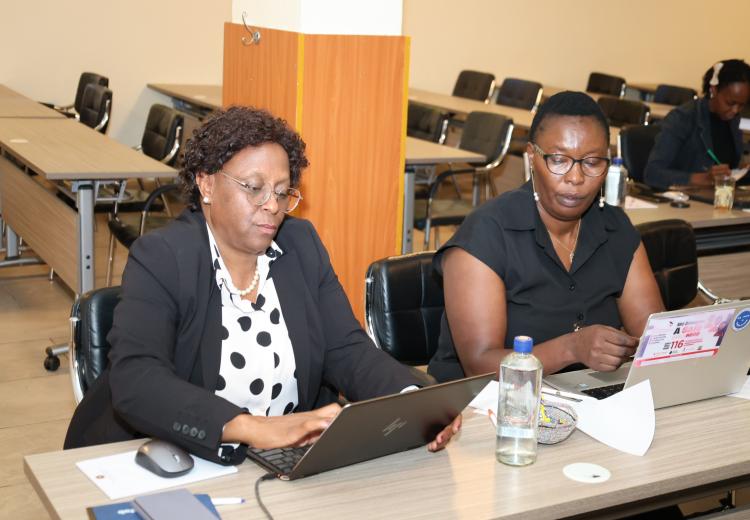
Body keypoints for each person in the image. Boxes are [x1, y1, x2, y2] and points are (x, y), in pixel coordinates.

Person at [64, 106, 459, 464]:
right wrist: (253, 428)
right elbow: (138, 379)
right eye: (254, 188)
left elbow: (345, 348)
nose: (272, 205)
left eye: (282, 192)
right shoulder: (164, 257)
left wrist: (412, 403)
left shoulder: (300, 245)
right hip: (182, 455)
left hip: (282, 461)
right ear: (206, 185)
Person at [428, 91, 665, 383]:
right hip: (489, 401)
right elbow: (479, 367)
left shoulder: (616, 229)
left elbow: (655, 340)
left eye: (592, 162)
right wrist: (572, 348)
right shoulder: (487, 234)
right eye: (559, 160)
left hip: (586, 394)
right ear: (532, 156)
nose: (576, 178)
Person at [644, 59, 750, 190]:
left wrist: (742, 169)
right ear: (713, 90)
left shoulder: (733, 120)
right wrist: (703, 178)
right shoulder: (683, 118)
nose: (735, 110)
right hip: (684, 198)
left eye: (741, 105)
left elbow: (730, 167)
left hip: (720, 196)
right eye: (730, 103)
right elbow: (652, 174)